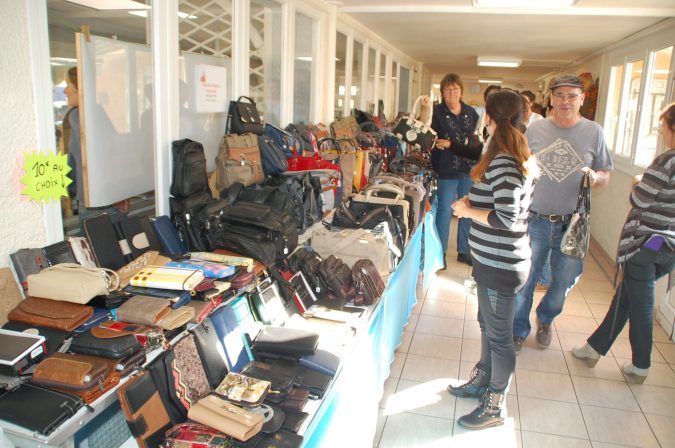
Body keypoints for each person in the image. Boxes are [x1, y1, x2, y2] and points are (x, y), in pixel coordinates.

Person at [449, 89, 538, 429]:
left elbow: (507, 218)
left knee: (500, 338)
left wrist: (468, 211)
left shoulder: (504, 161)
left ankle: (494, 406)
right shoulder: (507, 156)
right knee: (488, 326)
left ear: (490, 119)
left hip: (502, 264)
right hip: (493, 261)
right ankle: (482, 382)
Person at [573, 102, 675, 383]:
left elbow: (640, 199)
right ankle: (594, 349)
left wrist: (637, 181)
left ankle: (641, 365)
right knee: (626, 297)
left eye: (663, 126)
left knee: (640, 304)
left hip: (649, 244)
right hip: (667, 248)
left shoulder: (667, 161)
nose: (662, 132)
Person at [512, 75, 613, 352]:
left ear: (582, 99)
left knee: (563, 281)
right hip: (535, 219)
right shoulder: (536, 130)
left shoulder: (594, 132)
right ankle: (518, 328)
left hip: (573, 223)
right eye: (560, 96)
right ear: (551, 99)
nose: (565, 101)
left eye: (572, 96)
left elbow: (605, 173)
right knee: (525, 279)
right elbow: (521, 164)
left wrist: (596, 178)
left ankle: (546, 318)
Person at [63, 67, 128, 234]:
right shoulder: (95, 111)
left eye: (68, 84)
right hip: (101, 197)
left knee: (101, 254)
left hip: (96, 200)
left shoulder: (79, 115)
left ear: (79, 87)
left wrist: (119, 192)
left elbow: (106, 153)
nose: (65, 90)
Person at [430, 73, 481, 269]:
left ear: (461, 91)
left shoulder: (470, 112)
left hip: (468, 168)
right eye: (448, 89)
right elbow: (427, 134)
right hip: (445, 168)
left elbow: (476, 138)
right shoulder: (436, 112)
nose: (452, 93)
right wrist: (436, 143)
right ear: (442, 92)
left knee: (467, 208)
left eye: (456, 89)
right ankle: (440, 252)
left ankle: (464, 250)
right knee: (444, 210)